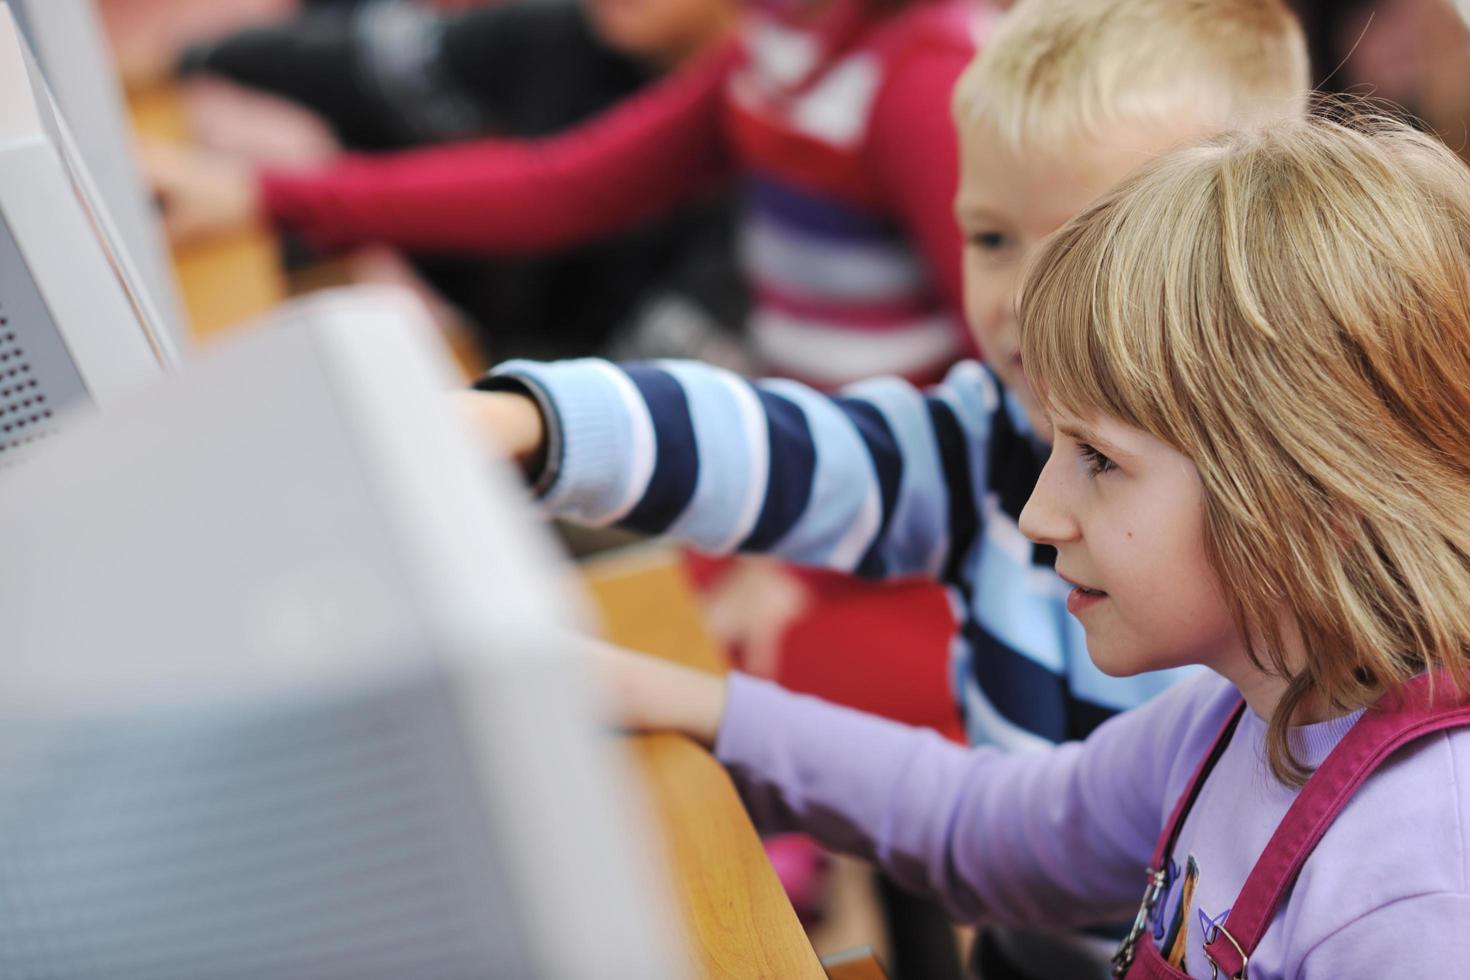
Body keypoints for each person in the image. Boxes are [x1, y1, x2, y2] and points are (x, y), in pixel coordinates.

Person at [458, 2, 1310, 973]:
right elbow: (784, 449)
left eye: (1083, 243)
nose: (1019, 295)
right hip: (1020, 933)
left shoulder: (1275, 566)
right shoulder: (982, 430)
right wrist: (523, 422)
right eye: (989, 239)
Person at [585, 110, 1470, 977]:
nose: (1042, 513)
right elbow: (987, 828)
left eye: (1098, 458)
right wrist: (695, 705)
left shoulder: (1415, 902)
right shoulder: (1241, 714)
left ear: (1312, 494)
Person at [149, 0, 993, 387]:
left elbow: (1017, 364)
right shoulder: (783, 41)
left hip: (874, 516)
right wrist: (267, 194)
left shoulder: (922, 81)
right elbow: (563, 185)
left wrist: (808, 559)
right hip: (814, 478)